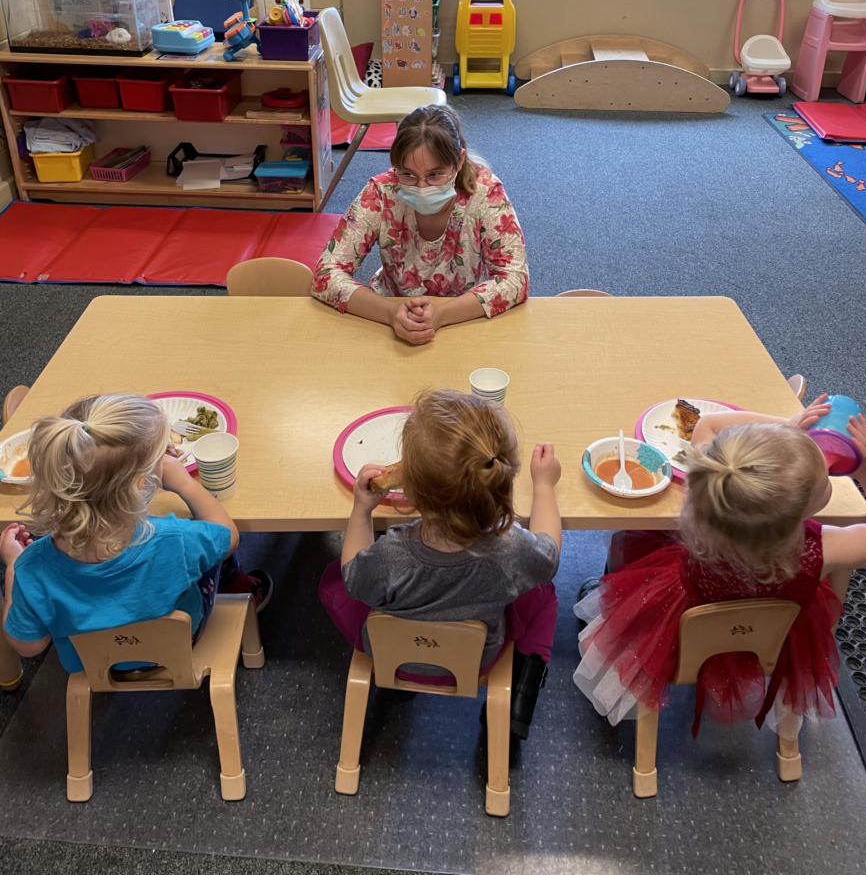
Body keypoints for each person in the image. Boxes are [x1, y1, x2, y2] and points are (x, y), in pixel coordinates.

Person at [573, 397, 866, 739]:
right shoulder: (825, 547)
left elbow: (708, 425)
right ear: (796, 514)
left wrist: (783, 425)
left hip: (686, 623)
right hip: (773, 637)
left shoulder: (710, 487)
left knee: (627, 544)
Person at [319, 389, 561, 739]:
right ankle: (522, 693)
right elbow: (549, 554)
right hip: (478, 658)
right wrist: (544, 487)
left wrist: (361, 509)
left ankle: (397, 683)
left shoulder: (390, 555)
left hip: (391, 655)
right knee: (547, 593)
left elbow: (353, 576)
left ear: (411, 493)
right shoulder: (512, 550)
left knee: (335, 579)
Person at [1, 394, 271, 674]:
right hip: (179, 645)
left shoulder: (31, 568)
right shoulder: (175, 538)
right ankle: (247, 589)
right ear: (142, 482)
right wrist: (183, 484)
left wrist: (13, 569)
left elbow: (29, 646)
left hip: (95, 666)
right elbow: (229, 536)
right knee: (212, 548)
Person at [311, 105, 529, 345]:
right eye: (408, 175)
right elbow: (326, 274)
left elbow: (515, 279)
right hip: (390, 315)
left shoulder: (485, 193)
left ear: (458, 162)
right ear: (396, 167)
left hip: (465, 314)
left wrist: (443, 314)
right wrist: (390, 313)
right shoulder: (382, 192)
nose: (422, 188)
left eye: (435, 175)